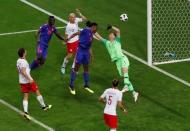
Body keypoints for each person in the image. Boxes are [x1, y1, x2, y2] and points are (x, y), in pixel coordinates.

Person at [94, 25, 139, 102]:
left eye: (111, 34)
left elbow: (118, 30)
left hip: (122, 59)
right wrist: (92, 30)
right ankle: (134, 93)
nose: (110, 35)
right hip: (117, 62)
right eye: (109, 34)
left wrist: (111, 27)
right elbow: (99, 36)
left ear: (114, 37)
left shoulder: (117, 41)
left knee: (125, 80)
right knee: (126, 80)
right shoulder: (107, 43)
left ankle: (128, 88)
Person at [16, 48, 52, 120]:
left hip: (22, 81)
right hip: (28, 80)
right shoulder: (23, 62)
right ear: (23, 53)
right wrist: (29, 79)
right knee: (37, 91)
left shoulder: (18, 60)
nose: (26, 51)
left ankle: (26, 113)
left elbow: (19, 70)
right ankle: (44, 107)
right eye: (25, 51)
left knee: (26, 96)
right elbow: (23, 71)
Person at [67, 21, 98, 95]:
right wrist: (68, 39)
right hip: (80, 50)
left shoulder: (92, 35)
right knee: (76, 67)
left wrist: (91, 55)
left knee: (86, 68)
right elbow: (76, 33)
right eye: (96, 28)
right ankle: (71, 84)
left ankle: (86, 84)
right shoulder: (85, 30)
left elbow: (89, 46)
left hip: (86, 52)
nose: (97, 30)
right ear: (93, 27)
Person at [61, 9, 87, 74]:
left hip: (77, 40)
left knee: (77, 54)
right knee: (69, 55)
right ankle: (63, 66)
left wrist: (79, 13)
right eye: (72, 17)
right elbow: (66, 35)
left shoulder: (76, 20)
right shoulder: (68, 26)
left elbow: (85, 19)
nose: (73, 18)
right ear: (69, 18)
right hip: (70, 42)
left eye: (74, 17)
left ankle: (73, 67)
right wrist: (65, 41)